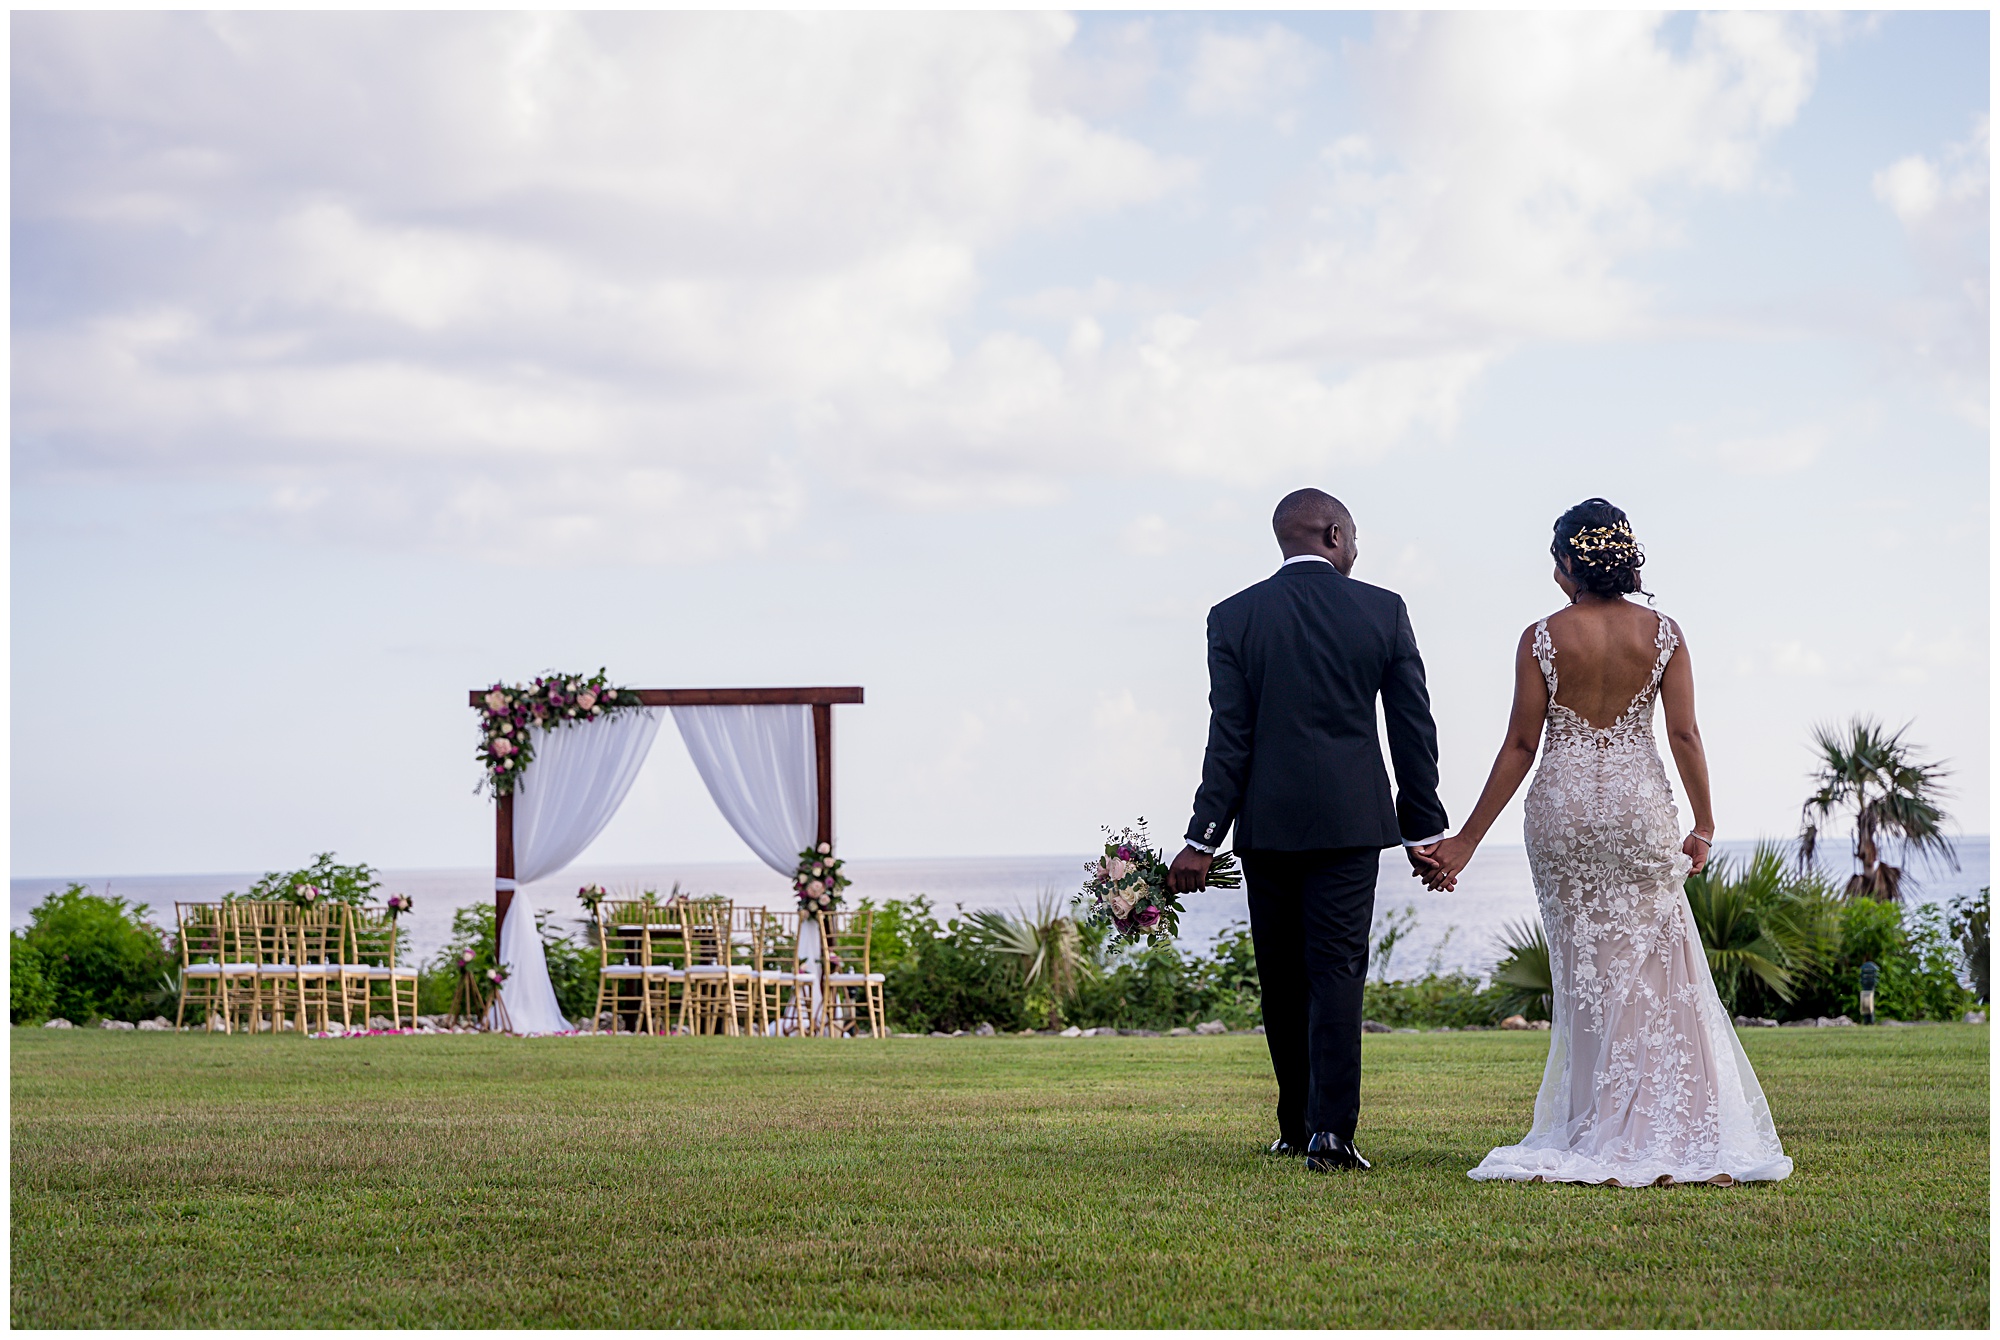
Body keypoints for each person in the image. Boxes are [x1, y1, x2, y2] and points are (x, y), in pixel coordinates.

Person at [1421, 498, 1792, 1186]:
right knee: (1657, 967)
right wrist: (1704, 823)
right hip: (1637, 809)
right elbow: (1684, 735)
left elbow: (1522, 743)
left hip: (1562, 814)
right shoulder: (1663, 632)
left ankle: (1597, 1123)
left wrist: (1467, 842)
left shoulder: (1541, 636)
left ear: (1567, 565)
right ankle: (1665, 1123)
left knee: (1584, 972)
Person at [1167, 488, 1448, 1172]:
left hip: (1266, 829)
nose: (1357, 550)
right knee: (1338, 973)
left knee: (1283, 979)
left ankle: (1295, 1126)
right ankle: (1332, 1135)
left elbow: (1228, 736)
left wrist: (1203, 837)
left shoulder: (1234, 616)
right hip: (1353, 828)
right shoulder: (1383, 610)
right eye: (1353, 537)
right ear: (1332, 534)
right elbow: (1412, 729)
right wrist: (1423, 832)